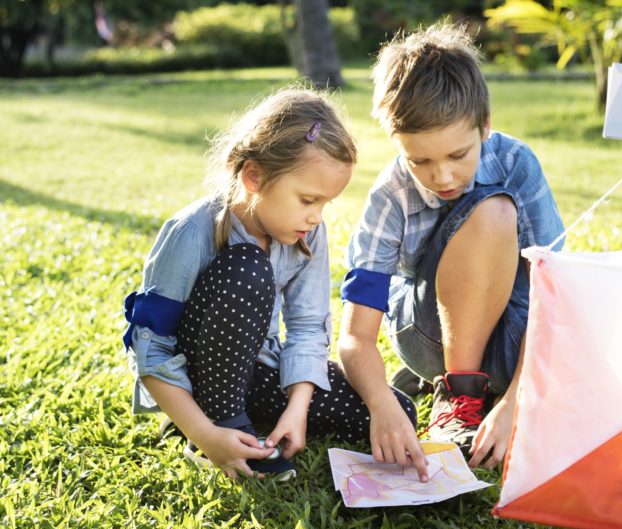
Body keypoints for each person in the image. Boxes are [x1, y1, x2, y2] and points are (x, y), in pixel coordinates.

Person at [122, 88, 417, 481]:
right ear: (254, 176)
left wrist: (297, 409)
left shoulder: (308, 233)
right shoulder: (192, 232)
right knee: (248, 268)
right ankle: (219, 428)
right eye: (308, 199)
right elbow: (151, 350)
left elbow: (308, 326)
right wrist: (205, 433)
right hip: (194, 378)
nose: (316, 217)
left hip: (256, 368)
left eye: (325, 204)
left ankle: (250, 417)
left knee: (396, 412)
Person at [337, 24, 564, 480]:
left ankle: (493, 388)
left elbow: (556, 297)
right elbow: (357, 336)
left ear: (485, 125)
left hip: (517, 338)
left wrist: (519, 396)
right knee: (494, 211)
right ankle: (458, 396)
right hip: (427, 335)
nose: (442, 177)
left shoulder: (517, 163)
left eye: (459, 154)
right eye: (419, 160)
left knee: (497, 207)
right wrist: (381, 404)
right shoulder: (391, 197)